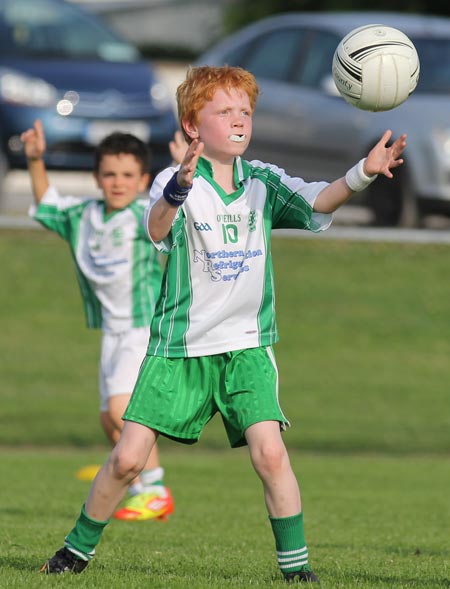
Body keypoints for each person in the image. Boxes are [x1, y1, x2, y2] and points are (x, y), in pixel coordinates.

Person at [39, 66, 406, 582]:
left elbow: (320, 200)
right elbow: (155, 227)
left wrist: (363, 173)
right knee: (128, 460)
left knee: (271, 453)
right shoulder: (175, 180)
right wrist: (178, 190)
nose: (239, 121)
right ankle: (73, 553)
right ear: (192, 125)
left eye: (245, 112)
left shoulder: (262, 181)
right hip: (179, 348)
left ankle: (297, 571)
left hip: (246, 347)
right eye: (224, 112)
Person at [21, 120, 174, 522]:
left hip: (144, 327)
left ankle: (156, 490)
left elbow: (180, 215)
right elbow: (48, 204)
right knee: (108, 418)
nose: (118, 182)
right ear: (96, 178)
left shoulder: (147, 215)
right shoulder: (85, 216)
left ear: (143, 180)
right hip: (112, 331)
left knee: (125, 410)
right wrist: (35, 160)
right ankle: (139, 487)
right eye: (109, 174)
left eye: (127, 175)